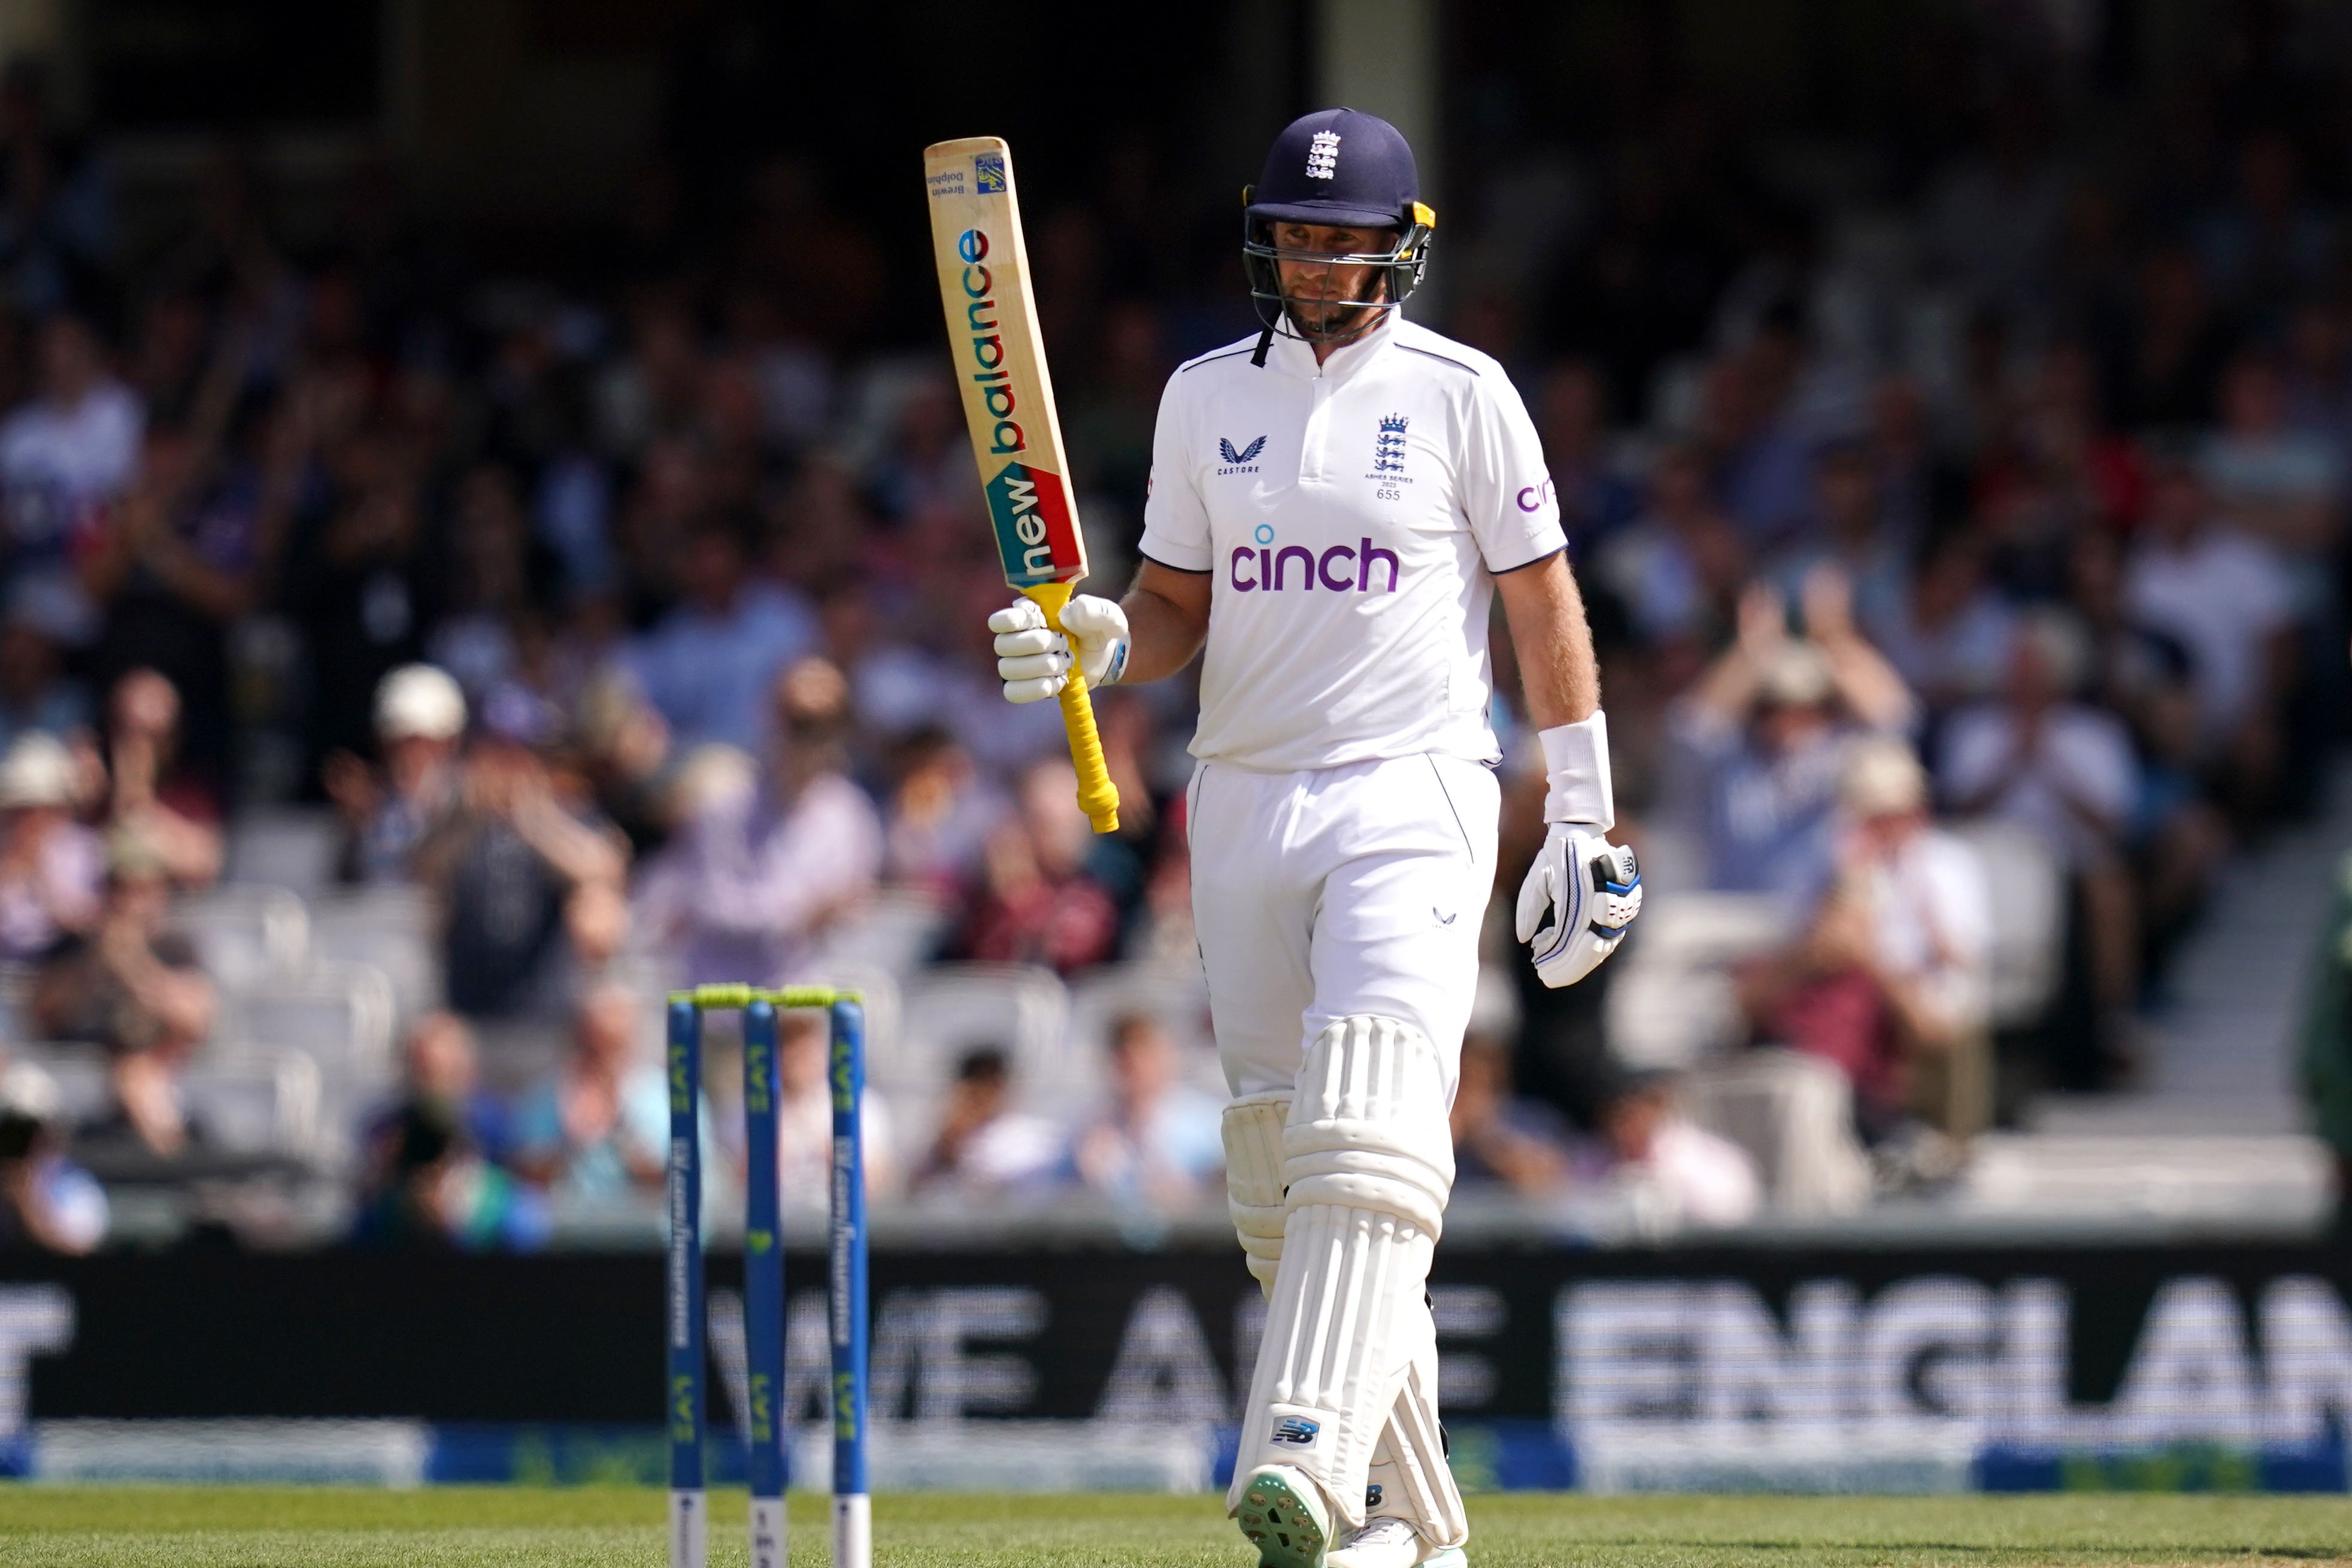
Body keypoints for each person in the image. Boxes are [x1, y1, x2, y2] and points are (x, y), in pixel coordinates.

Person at [983, 109, 1637, 1567]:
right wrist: (1095, 644)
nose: (1309, 254)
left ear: (1399, 248)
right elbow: (1173, 615)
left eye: (1338, 235)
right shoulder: (1203, 396)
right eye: (1291, 229)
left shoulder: (1465, 393)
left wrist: (1583, 812)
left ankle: (1299, 1463)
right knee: (1286, 1174)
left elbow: (1540, 606)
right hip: (1242, 790)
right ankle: (1418, 1527)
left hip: (1412, 785)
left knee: (1370, 1122)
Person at [1736, 740, 1993, 1144]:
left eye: (1893, 813)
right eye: (1872, 814)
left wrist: (1870, 952)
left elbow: (1957, 963)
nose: (1883, 826)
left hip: (1913, 994)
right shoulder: (1830, 862)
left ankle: (1928, 1137)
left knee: (1924, 1018)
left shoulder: (1947, 863)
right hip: (1843, 991)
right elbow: (1815, 945)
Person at [30, 843, 215, 1158]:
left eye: (140, 890)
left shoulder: (174, 947)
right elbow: (41, 1015)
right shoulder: (74, 946)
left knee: (138, 1078)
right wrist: (90, 963)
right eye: (119, 888)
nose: (128, 901)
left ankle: (170, 1164)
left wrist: (135, 968)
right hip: (86, 1072)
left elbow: (196, 1019)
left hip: (152, 1073)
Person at [510, 983, 669, 1203]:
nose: (603, 1060)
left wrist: (617, 1126)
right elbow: (526, 1179)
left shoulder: (665, 1097)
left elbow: (676, 1182)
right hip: (563, 1230)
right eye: (593, 1047)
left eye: (613, 1047)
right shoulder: (546, 1097)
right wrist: (572, 1138)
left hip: (642, 1233)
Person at [326, 663, 466, 885]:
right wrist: (354, 827)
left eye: (423, 744)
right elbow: (347, 888)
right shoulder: (376, 811)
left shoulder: (468, 806)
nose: (410, 756)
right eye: (398, 744)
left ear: (449, 744)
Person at [1071, 1013, 1223, 1210]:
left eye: (1143, 1052)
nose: (1135, 1066)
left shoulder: (1210, 1127)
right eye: (1123, 1057)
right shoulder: (1092, 1132)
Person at [1589, 1070, 1759, 1227]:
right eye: (1612, 1117)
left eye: (1628, 1114)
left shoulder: (1710, 1160)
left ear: (1656, 1106)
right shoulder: (1593, 1156)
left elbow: (1732, 1213)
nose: (1620, 1128)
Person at [910, 1045, 1064, 1197]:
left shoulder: (1030, 1137)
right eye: (975, 1085)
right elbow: (915, 1188)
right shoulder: (947, 1138)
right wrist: (949, 1141)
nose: (983, 1095)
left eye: (989, 1083)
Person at [0, 730, 100, 962]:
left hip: (60, 971)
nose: (26, 819)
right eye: (19, 809)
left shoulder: (82, 849)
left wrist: (40, 875)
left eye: (35, 808)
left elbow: (83, 923)